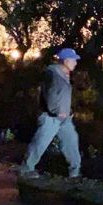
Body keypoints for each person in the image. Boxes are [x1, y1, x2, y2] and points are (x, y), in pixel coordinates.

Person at [20, 48, 82, 180]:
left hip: (64, 119)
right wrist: (57, 111)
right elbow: (50, 95)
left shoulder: (65, 74)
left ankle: (75, 174)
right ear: (65, 61)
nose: (76, 63)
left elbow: (62, 95)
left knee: (71, 143)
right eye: (73, 60)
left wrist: (68, 111)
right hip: (51, 118)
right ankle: (26, 170)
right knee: (40, 143)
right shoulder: (52, 74)